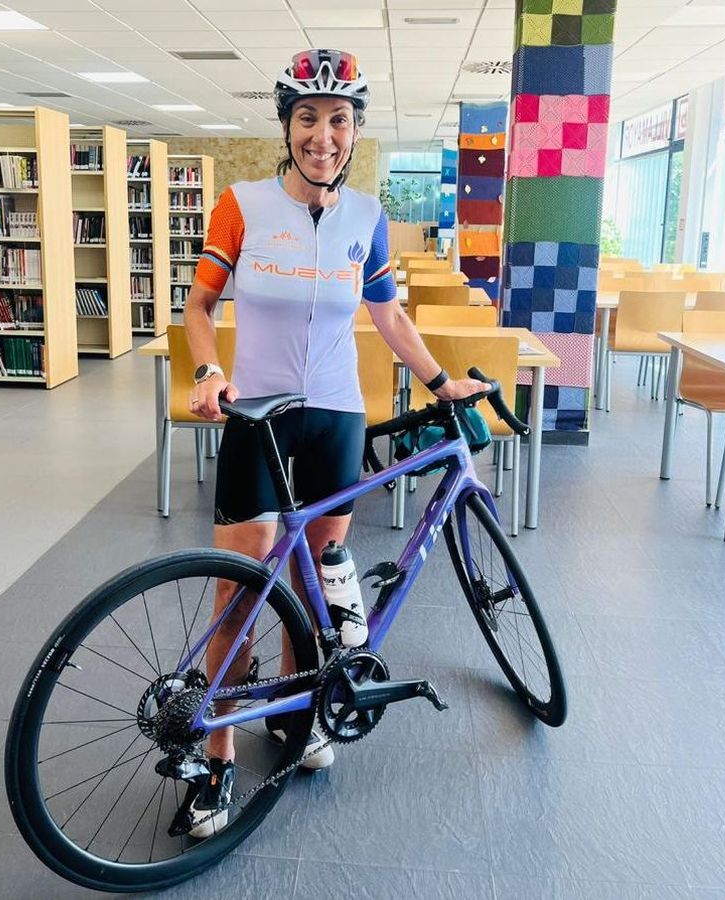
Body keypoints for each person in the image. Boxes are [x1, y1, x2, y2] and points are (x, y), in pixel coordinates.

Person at [181, 48, 490, 838]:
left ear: (354, 132)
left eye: (340, 120)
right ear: (287, 126)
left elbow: (387, 315)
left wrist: (439, 383)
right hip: (258, 416)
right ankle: (214, 760)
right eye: (309, 118)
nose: (324, 135)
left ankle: (296, 716)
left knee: (312, 587)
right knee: (237, 589)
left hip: (336, 418)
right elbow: (198, 306)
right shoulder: (240, 205)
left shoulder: (366, 218)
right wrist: (211, 371)